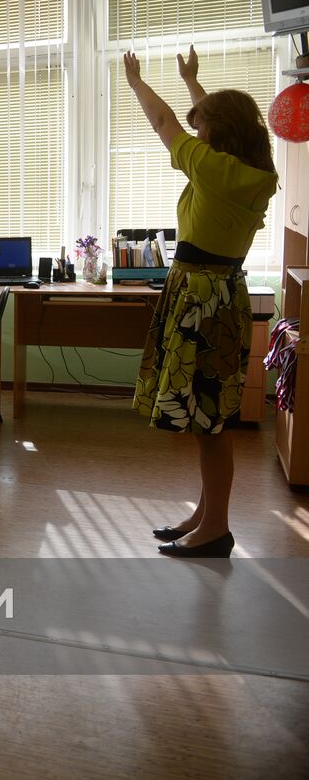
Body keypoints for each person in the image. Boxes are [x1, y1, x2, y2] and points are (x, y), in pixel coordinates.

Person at [123, 46, 276, 558]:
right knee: (206, 420)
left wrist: (136, 83)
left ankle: (217, 530)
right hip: (221, 292)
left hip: (199, 299)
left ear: (216, 135)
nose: (198, 133)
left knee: (209, 425)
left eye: (204, 127)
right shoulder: (252, 174)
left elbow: (163, 120)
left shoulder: (210, 167)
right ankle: (206, 515)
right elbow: (213, 121)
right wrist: (193, 81)